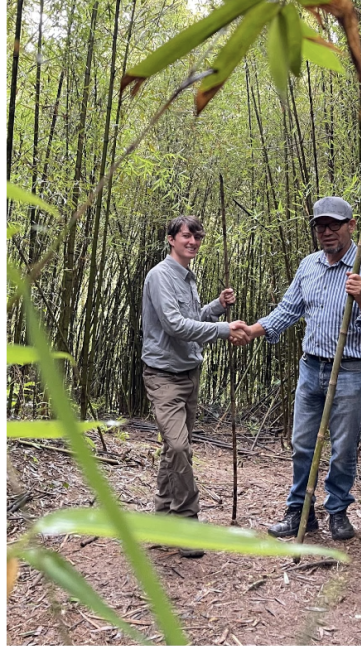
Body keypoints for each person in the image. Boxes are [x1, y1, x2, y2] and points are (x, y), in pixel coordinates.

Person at [233, 196, 361, 541]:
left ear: (351, 226)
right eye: (320, 226)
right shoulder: (309, 265)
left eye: (333, 225)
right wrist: (253, 330)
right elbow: (287, 310)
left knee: (344, 447)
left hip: (352, 370)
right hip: (311, 368)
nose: (326, 232)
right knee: (302, 443)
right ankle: (300, 513)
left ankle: (337, 511)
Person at [141, 215, 249, 558]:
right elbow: (173, 325)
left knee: (174, 449)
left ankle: (161, 517)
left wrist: (217, 308)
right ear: (171, 239)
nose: (193, 242)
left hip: (189, 373)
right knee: (178, 446)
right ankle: (186, 523)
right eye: (186, 236)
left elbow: (193, 318)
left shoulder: (188, 278)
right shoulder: (160, 276)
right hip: (163, 375)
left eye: (197, 237)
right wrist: (224, 329)